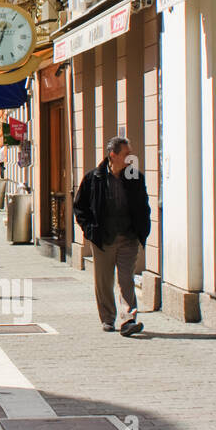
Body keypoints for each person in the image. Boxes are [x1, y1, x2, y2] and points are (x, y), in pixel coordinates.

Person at [73, 137, 152, 336]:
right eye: (126, 154)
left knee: (126, 279)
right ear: (113, 155)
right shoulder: (94, 178)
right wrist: (90, 230)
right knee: (104, 281)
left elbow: (143, 206)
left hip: (128, 237)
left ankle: (128, 319)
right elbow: (80, 206)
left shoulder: (135, 177)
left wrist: (142, 230)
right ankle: (108, 318)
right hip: (103, 239)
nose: (130, 157)